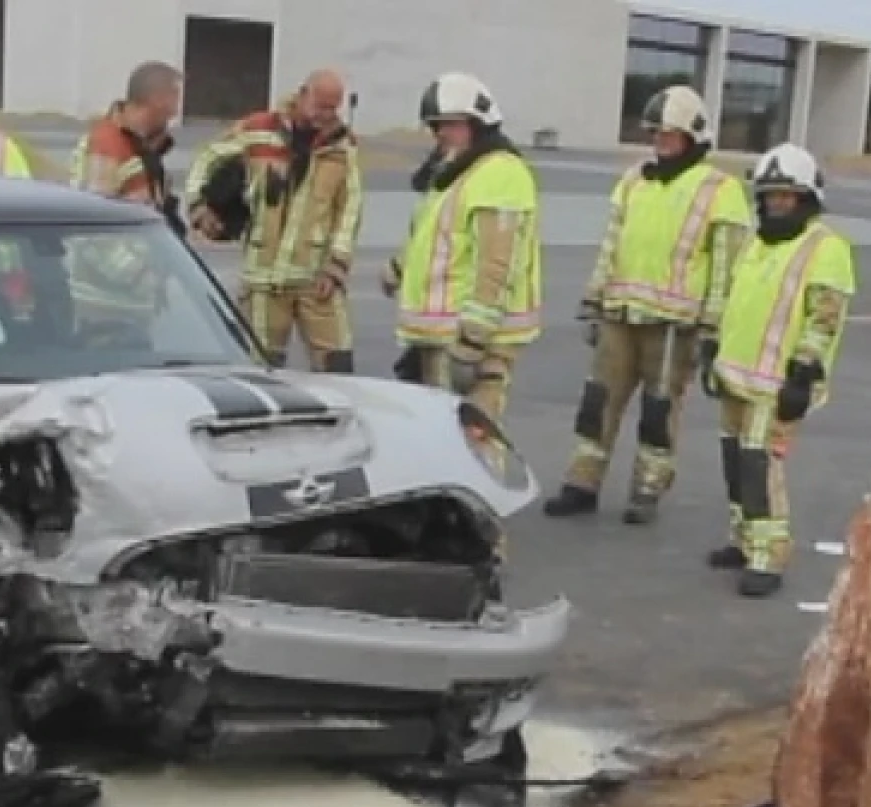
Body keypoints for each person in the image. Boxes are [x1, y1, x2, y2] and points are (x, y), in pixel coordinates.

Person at [543, 84, 751, 524]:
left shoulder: (721, 189)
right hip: (620, 313)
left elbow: (726, 267)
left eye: (669, 134)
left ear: (693, 137)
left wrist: (713, 326)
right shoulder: (634, 180)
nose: (659, 142)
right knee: (598, 402)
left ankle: (646, 489)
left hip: (675, 325)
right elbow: (612, 244)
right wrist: (594, 297)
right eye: (655, 133)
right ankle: (582, 483)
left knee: (659, 413)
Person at [697, 143, 856, 598]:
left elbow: (823, 317)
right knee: (734, 461)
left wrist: (803, 374)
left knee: (759, 465)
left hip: (777, 384)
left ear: (806, 198)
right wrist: (712, 350)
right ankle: (744, 539)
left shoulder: (827, 249)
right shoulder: (754, 241)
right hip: (736, 374)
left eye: (786, 195)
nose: (776, 203)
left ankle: (769, 555)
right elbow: (730, 299)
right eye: (770, 196)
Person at [383, 72, 541, 421]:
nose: (441, 133)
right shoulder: (455, 170)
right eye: (436, 126)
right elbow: (428, 233)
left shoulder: (499, 172)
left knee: (470, 436)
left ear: (478, 123)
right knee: (441, 434)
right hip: (440, 333)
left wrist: (471, 342)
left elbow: (497, 264)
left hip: (466, 336)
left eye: (451, 124)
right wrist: (397, 269)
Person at [184, 70, 363, 372]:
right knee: (262, 368)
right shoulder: (258, 129)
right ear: (303, 94)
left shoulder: (342, 147)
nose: (327, 116)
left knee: (338, 364)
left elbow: (350, 209)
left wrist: (337, 265)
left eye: (334, 108)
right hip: (263, 281)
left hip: (317, 279)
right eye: (321, 106)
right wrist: (198, 206)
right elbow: (208, 157)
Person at [67, 61, 185, 344]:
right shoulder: (107, 145)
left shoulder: (142, 148)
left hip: (128, 305)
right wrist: (138, 272)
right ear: (157, 99)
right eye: (174, 99)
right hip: (105, 306)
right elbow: (90, 227)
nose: (176, 112)